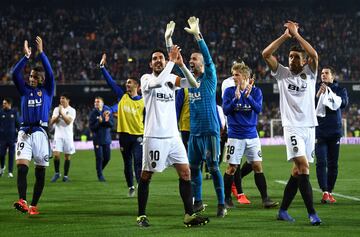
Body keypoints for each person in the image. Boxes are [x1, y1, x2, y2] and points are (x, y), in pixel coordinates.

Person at [136, 26, 208, 226]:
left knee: (186, 173)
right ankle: (141, 215)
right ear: (151, 63)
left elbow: (193, 84)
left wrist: (182, 65)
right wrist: (170, 60)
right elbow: (158, 82)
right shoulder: (147, 79)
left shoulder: (170, 77)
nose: (158, 60)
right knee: (146, 174)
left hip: (173, 137)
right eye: (155, 59)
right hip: (154, 137)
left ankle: (189, 215)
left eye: (161, 58)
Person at [262, 20, 321, 225]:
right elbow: (266, 54)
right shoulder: (282, 73)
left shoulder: (310, 73)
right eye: (290, 56)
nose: (292, 59)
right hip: (292, 128)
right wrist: (286, 36)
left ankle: (283, 211)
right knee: (304, 167)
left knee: (297, 172)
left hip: (309, 128)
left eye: (296, 57)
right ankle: (312, 213)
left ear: (304, 61)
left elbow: (314, 55)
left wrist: (297, 35)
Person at [181, 16, 226, 217]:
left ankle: (221, 203)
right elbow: (177, 66)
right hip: (195, 133)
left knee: (214, 167)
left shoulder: (209, 78)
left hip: (210, 131)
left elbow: (208, 58)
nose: (191, 62)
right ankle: (198, 201)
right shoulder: (190, 82)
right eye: (190, 59)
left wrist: (198, 36)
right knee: (193, 168)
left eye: (194, 59)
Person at [222, 62, 278, 209]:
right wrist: (235, 99)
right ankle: (227, 199)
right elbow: (226, 111)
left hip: (252, 135)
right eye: (233, 74)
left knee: (257, 166)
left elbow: (258, 109)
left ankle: (265, 199)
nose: (233, 77)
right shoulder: (229, 91)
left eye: (236, 75)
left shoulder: (256, 92)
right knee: (232, 168)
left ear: (245, 76)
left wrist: (248, 96)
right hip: (235, 136)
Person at [12, 36, 55, 215]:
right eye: (30, 75)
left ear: (41, 78)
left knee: (40, 172)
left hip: (40, 133)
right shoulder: (24, 91)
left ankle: (34, 205)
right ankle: (22, 200)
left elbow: (51, 74)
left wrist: (42, 53)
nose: (31, 78)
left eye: (34, 76)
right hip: (24, 132)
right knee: (21, 168)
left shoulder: (47, 90)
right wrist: (26, 57)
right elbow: (15, 74)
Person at [99, 53, 144, 197]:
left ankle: (141, 186)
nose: (127, 84)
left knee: (138, 162)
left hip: (138, 135)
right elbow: (111, 82)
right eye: (126, 82)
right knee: (127, 163)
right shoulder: (122, 96)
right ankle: (131, 186)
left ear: (137, 86)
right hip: (124, 136)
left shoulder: (144, 101)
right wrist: (102, 67)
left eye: (129, 82)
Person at [315, 66, 348, 203]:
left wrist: (330, 94)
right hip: (320, 132)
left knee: (333, 164)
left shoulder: (340, 90)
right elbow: (308, 106)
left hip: (334, 132)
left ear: (332, 76)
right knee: (321, 162)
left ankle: (330, 191)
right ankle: (324, 191)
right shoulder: (314, 89)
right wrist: (318, 95)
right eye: (322, 73)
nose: (323, 75)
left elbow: (344, 103)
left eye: (326, 73)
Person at [221, 69, 254, 204]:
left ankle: (235, 184)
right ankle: (237, 193)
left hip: (248, 129)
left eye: (238, 73)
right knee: (234, 164)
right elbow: (227, 107)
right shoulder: (227, 85)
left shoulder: (250, 85)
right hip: (233, 129)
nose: (235, 76)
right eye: (234, 73)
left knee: (253, 162)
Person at [50, 93, 76, 182]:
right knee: (56, 155)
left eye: (63, 98)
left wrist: (62, 113)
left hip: (68, 137)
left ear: (68, 100)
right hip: (58, 136)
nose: (61, 100)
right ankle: (57, 173)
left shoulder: (72, 110)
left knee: (67, 157)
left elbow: (68, 121)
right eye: (60, 98)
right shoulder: (56, 109)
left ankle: (65, 176)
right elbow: (52, 121)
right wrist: (58, 114)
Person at [89, 96, 114, 182]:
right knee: (99, 157)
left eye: (98, 102)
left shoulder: (107, 112)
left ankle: (99, 170)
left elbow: (111, 124)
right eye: (95, 102)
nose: (96, 103)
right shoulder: (93, 113)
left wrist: (104, 121)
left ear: (102, 103)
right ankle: (100, 175)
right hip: (97, 139)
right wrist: (98, 123)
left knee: (107, 158)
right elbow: (92, 127)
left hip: (106, 139)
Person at [0, 98, 19, 178]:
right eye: (3, 103)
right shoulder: (1, 112)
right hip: (2, 138)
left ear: (9, 104)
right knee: (1, 154)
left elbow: (17, 124)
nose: (3, 105)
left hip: (12, 138)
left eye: (5, 103)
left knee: (11, 156)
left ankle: (10, 172)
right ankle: (2, 166)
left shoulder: (14, 112)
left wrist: (20, 134)